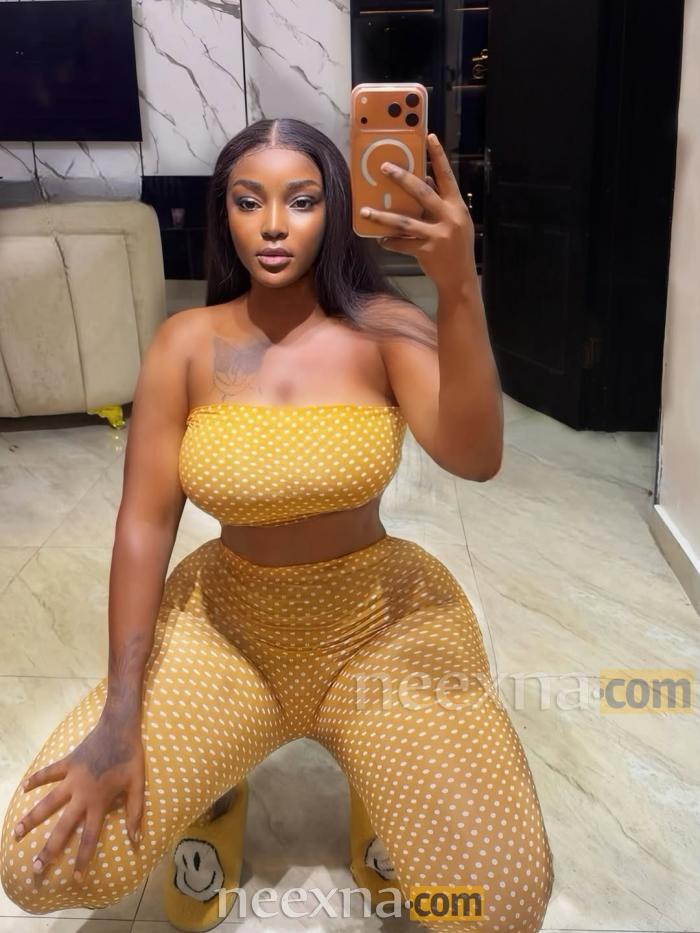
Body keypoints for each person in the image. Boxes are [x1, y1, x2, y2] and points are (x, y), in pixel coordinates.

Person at [0, 117, 554, 932]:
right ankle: (216, 795)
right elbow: (143, 526)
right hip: (228, 631)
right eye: (246, 200)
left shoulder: (386, 326)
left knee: (495, 907)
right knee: (34, 861)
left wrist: (459, 288)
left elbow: (475, 457)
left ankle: (378, 783)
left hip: (380, 628)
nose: (271, 224)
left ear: (335, 208)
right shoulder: (185, 344)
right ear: (222, 212)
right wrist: (121, 712)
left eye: (300, 200)